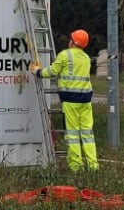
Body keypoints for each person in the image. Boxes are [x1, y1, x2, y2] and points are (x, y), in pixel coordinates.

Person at [30, 28, 98, 172]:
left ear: (73, 42)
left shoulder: (65, 55)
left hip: (71, 100)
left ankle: (76, 167)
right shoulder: (86, 58)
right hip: (86, 100)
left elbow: (52, 72)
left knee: (72, 134)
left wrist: (37, 71)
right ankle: (93, 166)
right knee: (87, 134)